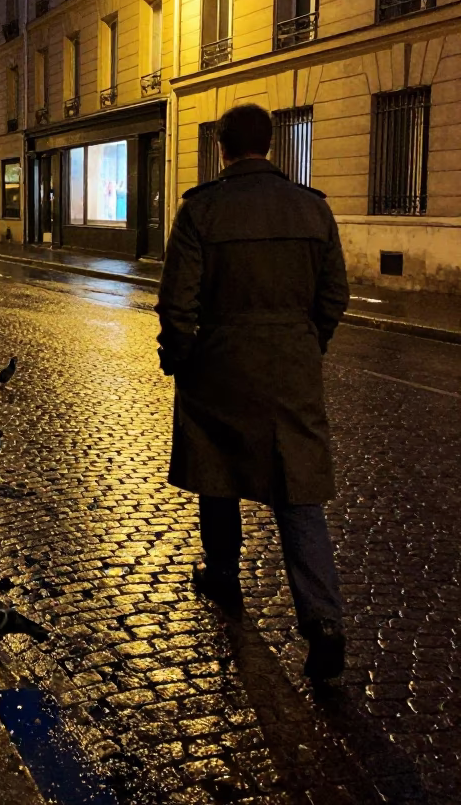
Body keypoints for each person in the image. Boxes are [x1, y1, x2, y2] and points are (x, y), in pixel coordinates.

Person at [155, 103, 350, 682]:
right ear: (270, 144)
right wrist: (307, 343)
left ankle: (223, 574)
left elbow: (177, 302)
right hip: (292, 368)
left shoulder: (201, 209)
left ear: (221, 148)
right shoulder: (312, 208)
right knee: (298, 493)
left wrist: (181, 360)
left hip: (219, 364)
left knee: (216, 474)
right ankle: (323, 623)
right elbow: (334, 295)